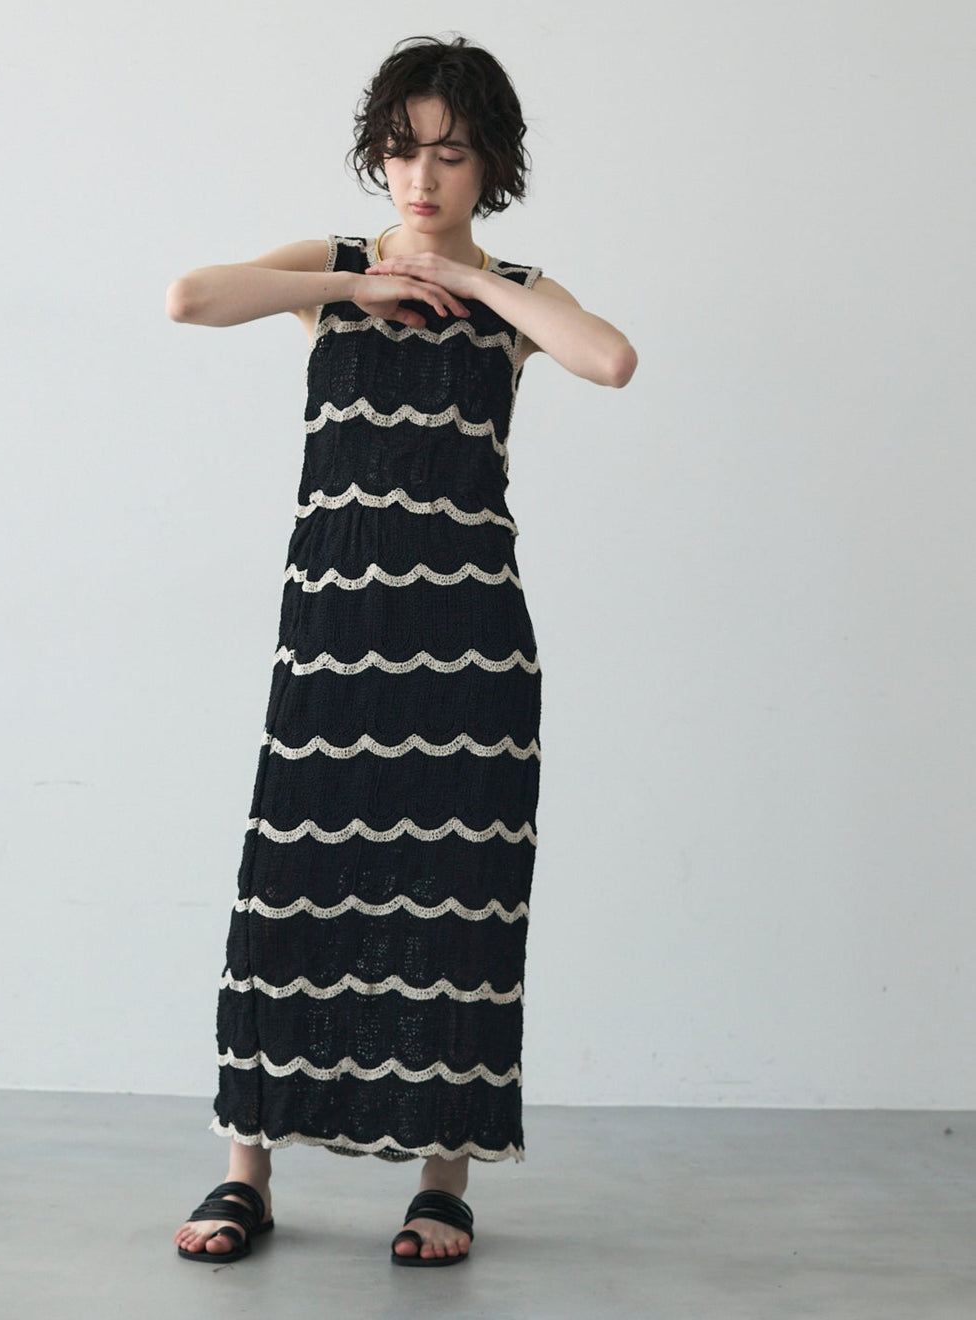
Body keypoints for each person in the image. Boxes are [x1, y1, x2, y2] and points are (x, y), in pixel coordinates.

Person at [166, 33, 637, 1268]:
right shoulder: (330, 270)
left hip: (469, 653)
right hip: (332, 642)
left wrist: (467, 283)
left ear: (491, 168)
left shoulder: (515, 294)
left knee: (457, 906)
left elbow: (609, 359)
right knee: (286, 892)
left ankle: (442, 1187)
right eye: (401, 150)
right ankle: (245, 1174)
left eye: (451, 154)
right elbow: (188, 297)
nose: (421, 177)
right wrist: (358, 286)